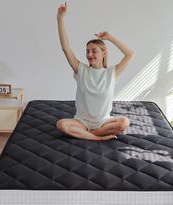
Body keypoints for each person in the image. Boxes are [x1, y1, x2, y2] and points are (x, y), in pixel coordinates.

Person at [56, 2, 134, 141]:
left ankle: (93, 133)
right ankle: (97, 137)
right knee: (61, 125)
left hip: (103, 121)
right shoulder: (81, 70)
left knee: (124, 122)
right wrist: (60, 18)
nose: (89, 54)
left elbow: (130, 54)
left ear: (104, 53)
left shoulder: (112, 73)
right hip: (81, 122)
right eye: (87, 51)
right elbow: (65, 48)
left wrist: (110, 38)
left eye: (94, 51)